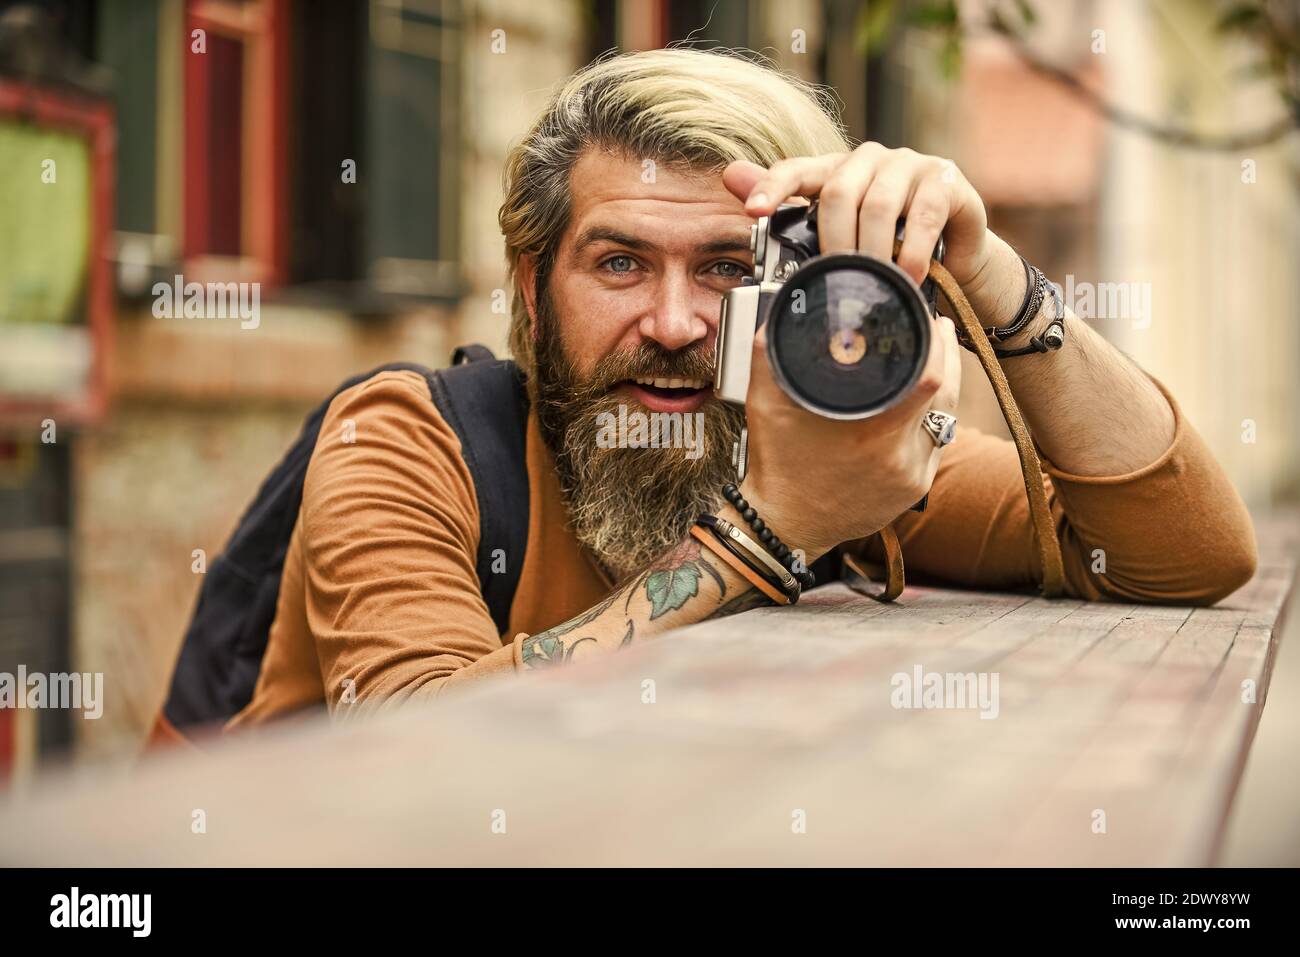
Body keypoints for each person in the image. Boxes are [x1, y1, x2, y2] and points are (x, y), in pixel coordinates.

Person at [205, 47, 1254, 731]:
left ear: (802, 293)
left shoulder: (828, 457)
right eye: (618, 264)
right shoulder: (405, 442)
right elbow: (410, 744)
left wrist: (990, 277)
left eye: (722, 269)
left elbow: (1187, 556)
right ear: (532, 286)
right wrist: (775, 528)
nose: (671, 325)